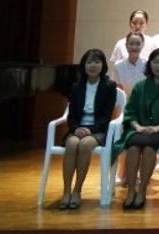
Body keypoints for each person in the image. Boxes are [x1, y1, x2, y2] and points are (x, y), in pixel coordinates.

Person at [112, 48, 159, 210]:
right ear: (149, 64)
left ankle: (142, 191)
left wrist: (158, 127)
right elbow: (130, 111)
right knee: (133, 148)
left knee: (148, 148)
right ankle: (131, 191)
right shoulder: (140, 86)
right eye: (155, 61)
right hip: (138, 129)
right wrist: (138, 127)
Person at [59, 49, 118, 209]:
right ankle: (66, 191)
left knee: (85, 144)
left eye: (97, 62)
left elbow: (106, 117)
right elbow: (71, 115)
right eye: (89, 62)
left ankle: (77, 190)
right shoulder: (76, 86)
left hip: (98, 130)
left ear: (103, 65)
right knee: (71, 144)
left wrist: (90, 130)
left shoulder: (109, 86)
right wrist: (76, 128)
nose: (93, 65)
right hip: (78, 128)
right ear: (83, 65)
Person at [111, 32, 147, 96]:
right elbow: (117, 89)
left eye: (138, 44)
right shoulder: (118, 66)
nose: (134, 47)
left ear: (143, 45)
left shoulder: (148, 64)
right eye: (131, 44)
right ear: (126, 45)